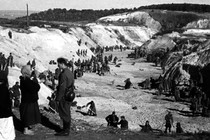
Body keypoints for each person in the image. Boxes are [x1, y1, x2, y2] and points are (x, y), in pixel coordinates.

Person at [54, 57, 74, 136]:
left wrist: (58, 98)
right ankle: (66, 129)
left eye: (58, 63)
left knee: (64, 112)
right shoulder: (70, 72)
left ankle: (65, 131)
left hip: (64, 96)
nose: (58, 65)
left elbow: (62, 87)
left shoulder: (63, 74)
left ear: (62, 64)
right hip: (69, 95)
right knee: (67, 112)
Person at [19, 65, 41, 135]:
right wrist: (37, 84)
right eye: (30, 70)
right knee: (27, 115)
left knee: (28, 114)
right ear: (27, 71)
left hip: (27, 100)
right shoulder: (26, 80)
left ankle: (26, 128)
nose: (32, 71)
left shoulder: (25, 79)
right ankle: (25, 130)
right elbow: (34, 88)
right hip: (27, 100)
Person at [0, 63, 16, 140]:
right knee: (7, 133)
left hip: (2, 113)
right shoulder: (4, 89)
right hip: (5, 114)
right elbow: (6, 102)